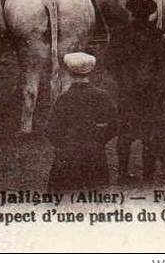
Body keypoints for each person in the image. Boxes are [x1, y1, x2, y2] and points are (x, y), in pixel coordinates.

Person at [109, 0, 163, 182]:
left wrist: (122, 82)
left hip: (127, 92)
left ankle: (123, 174)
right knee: (150, 135)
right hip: (150, 94)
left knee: (125, 135)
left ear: (131, 12)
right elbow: (162, 65)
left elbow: (110, 63)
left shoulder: (119, 34)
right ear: (149, 14)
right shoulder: (157, 34)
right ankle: (148, 176)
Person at [46, 52, 117, 191]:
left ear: (69, 72)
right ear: (91, 72)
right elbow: (114, 126)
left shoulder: (63, 98)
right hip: (96, 158)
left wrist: (63, 146)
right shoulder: (102, 96)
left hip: (66, 159)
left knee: (64, 203)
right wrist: (99, 141)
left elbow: (50, 131)